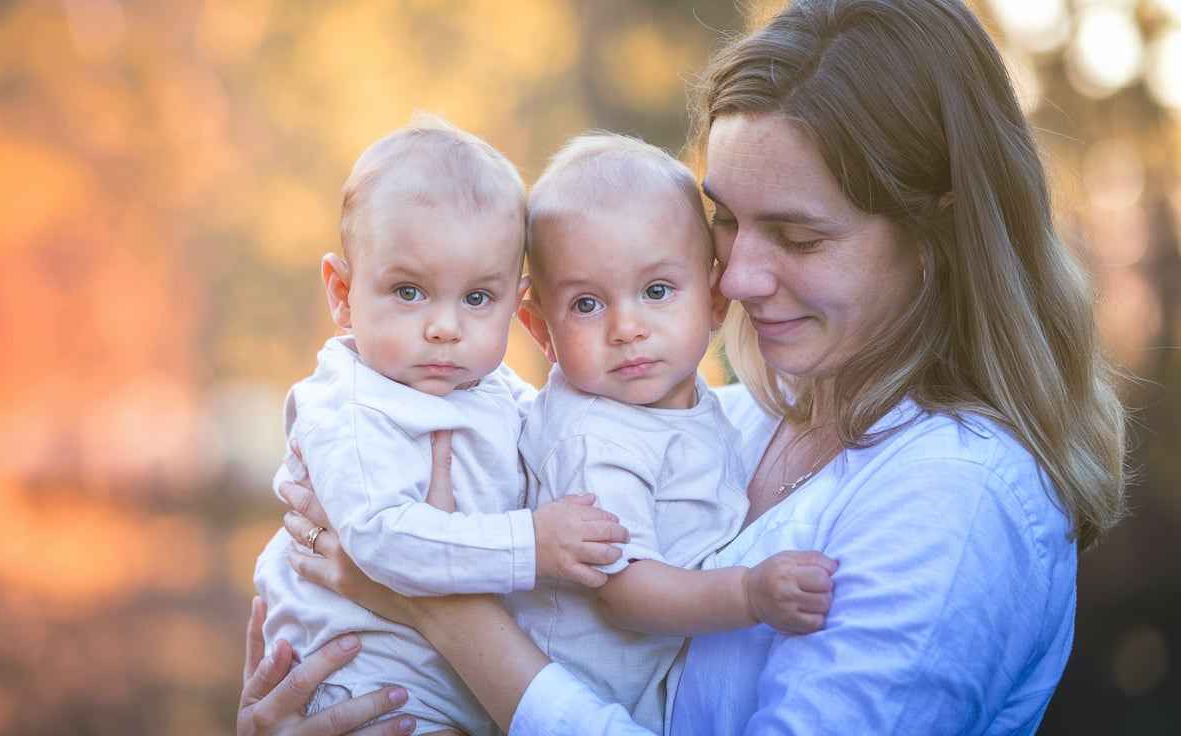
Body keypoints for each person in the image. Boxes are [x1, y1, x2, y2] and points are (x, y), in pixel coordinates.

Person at [245, 0, 1127, 733]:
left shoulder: (958, 497)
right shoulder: (733, 420)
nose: (735, 278)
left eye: (799, 235)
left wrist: (440, 607)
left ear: (938, 239)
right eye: (727, 225)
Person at [251, 114, 628, 735]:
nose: (445, 326)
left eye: (477, 298)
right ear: (342, 293)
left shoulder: (490, 388)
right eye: (408, 292)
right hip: (361, 682)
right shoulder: (350, 406)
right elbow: (379, 539)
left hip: (462, 676)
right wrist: (533, 543)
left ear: (516, 299)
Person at [508, 131, 837, 731]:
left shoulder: (684, 403)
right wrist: (749, 595)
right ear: (538, 326)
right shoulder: (594, 440)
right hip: (571, 694)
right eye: (586, 304)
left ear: (714, 298)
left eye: (656, 291)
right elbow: (625, 592)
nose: (627, 327)